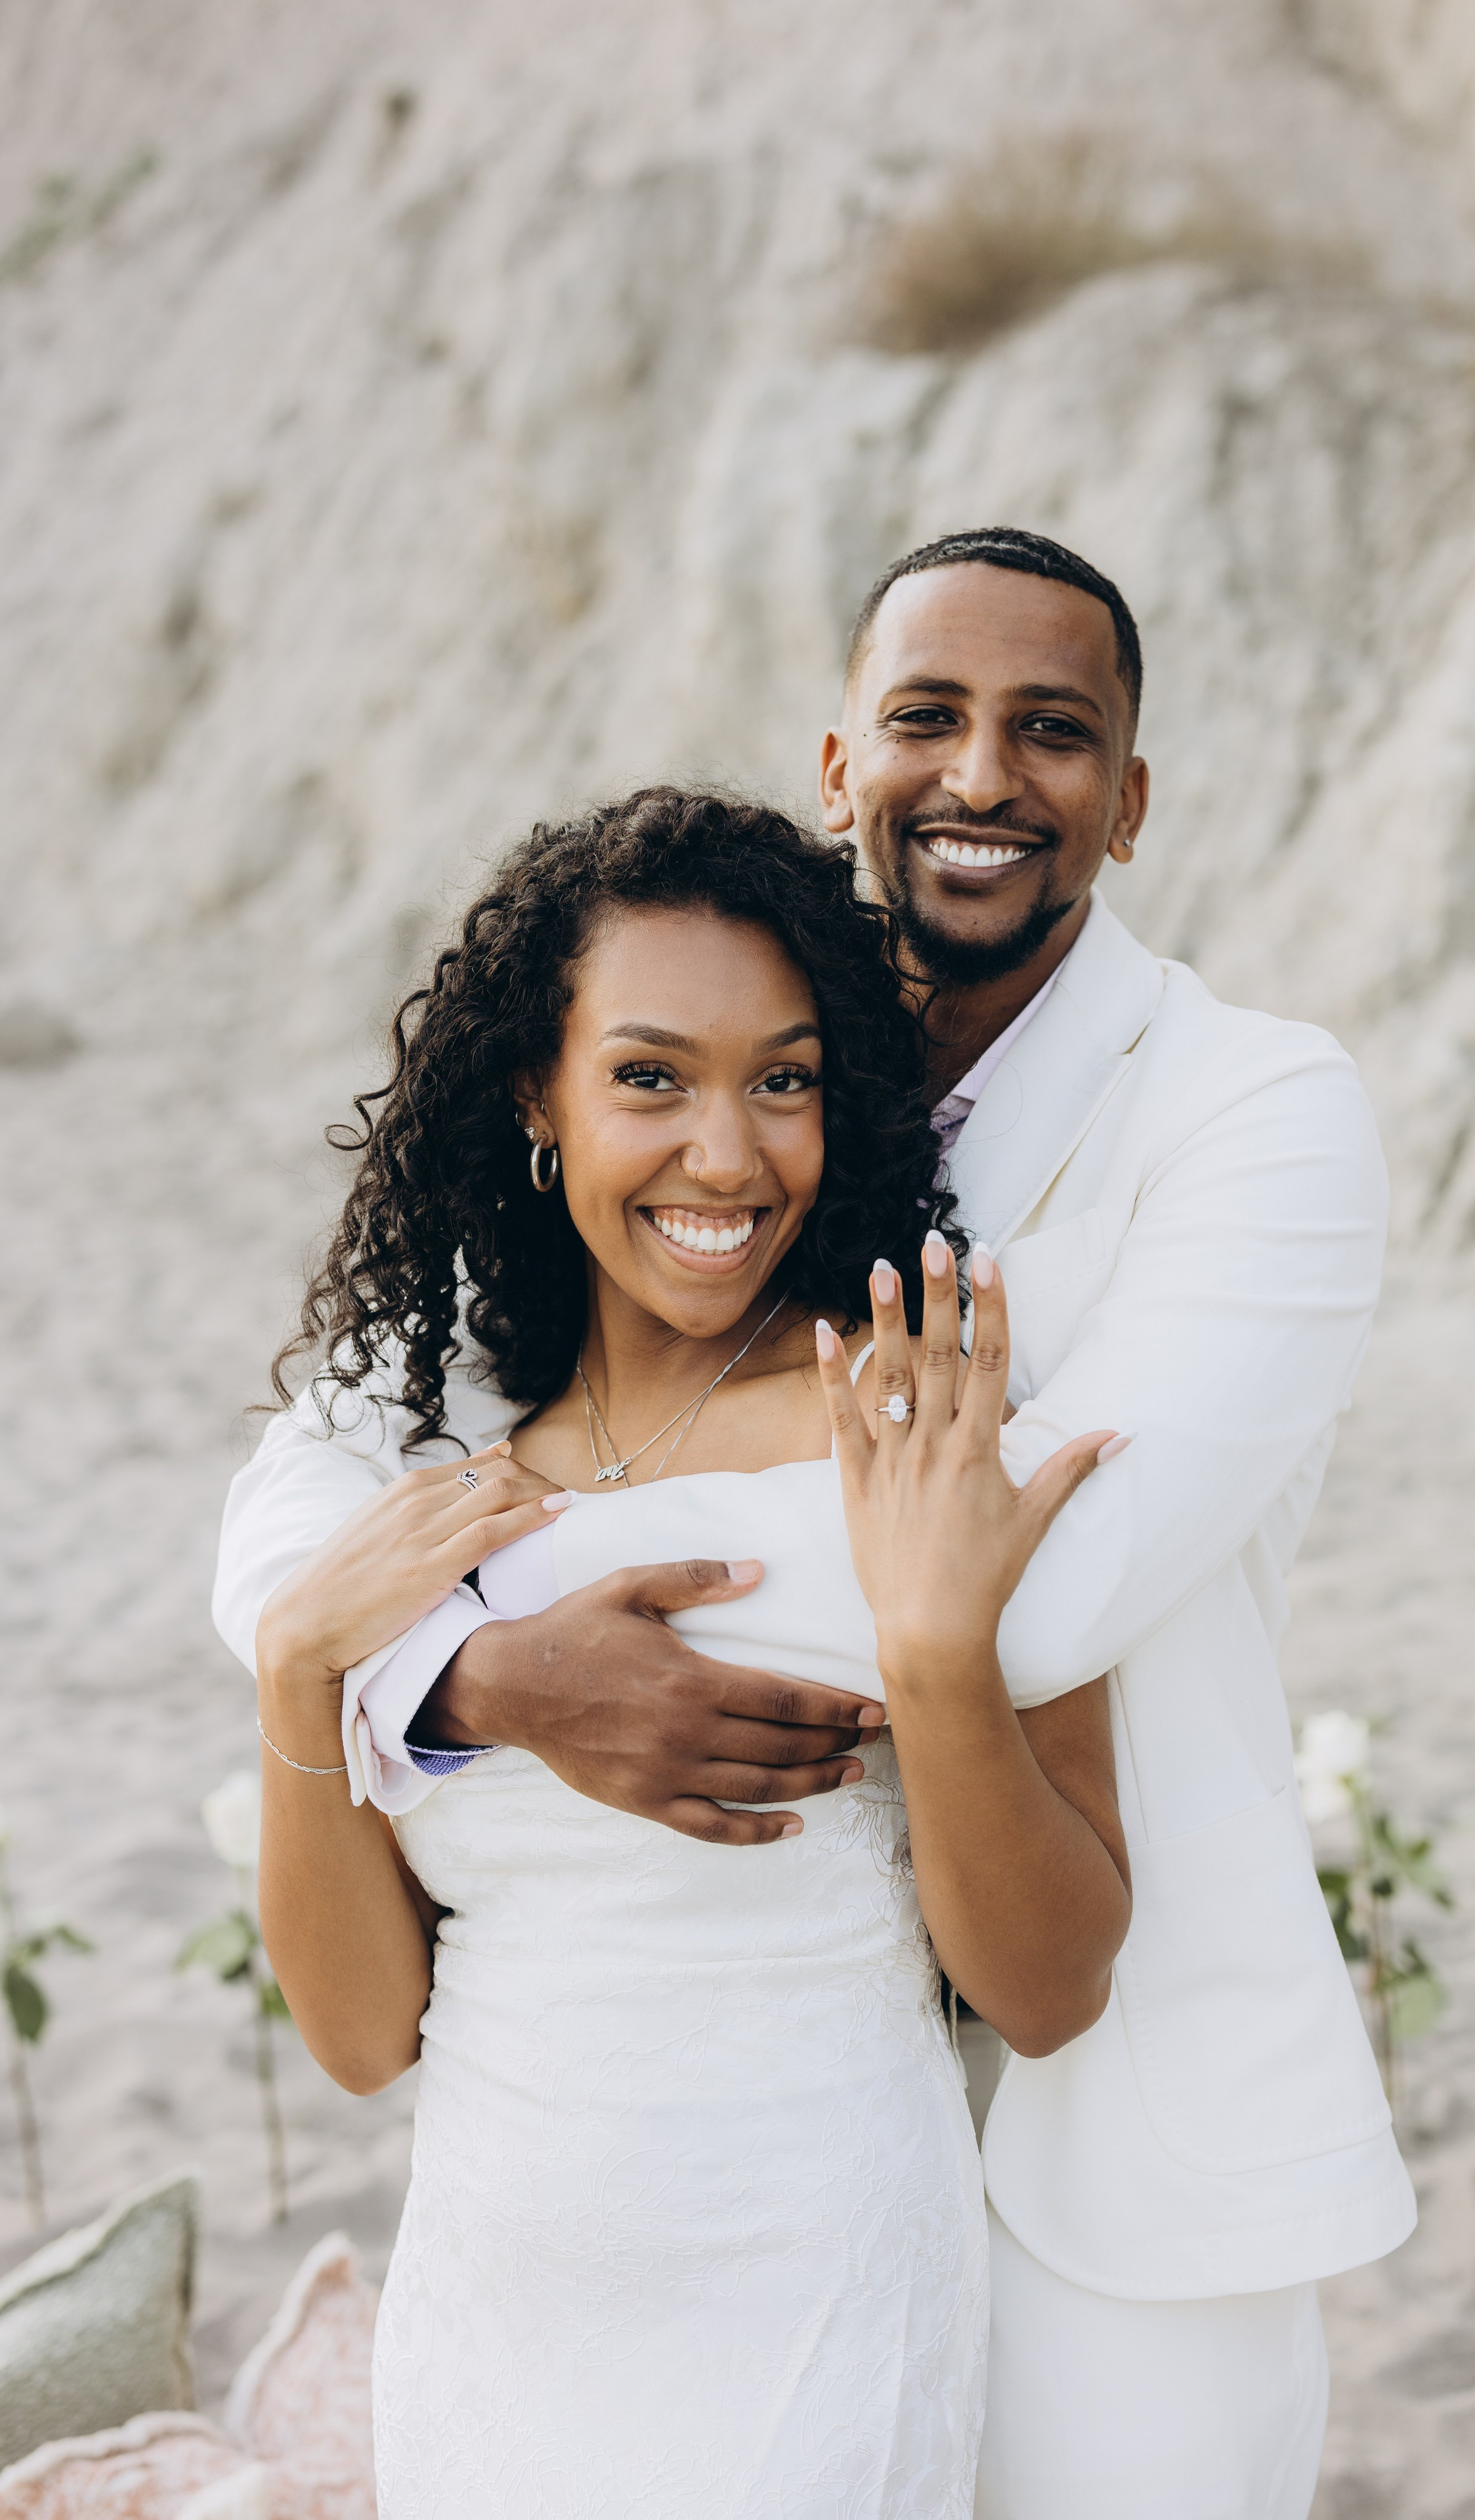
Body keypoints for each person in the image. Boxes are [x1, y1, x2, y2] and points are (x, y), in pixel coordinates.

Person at [216, 526, 1417, 2516]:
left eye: (1054, 733)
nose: (982, 778)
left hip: (1082, 2133)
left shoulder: (1249, 1109)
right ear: (843, 760)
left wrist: (486, 1642)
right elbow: (293, 1504)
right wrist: (458, 1670)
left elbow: (1045, 1575)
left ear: (1131, 798)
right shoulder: (497, 1371)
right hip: (531, 2288)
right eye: (928, 717)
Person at [246, 790, 1132, 2518]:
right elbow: (361, 2040)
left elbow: (1050, 1989)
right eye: (651, 1077)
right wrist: (301, 1677)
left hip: (819, 2299)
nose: (726, 1156)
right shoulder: (428, 1494)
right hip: (495, 2318)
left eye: (783, 1080)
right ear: (538, 1096)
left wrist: (940, 1657)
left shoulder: (920, 1429)